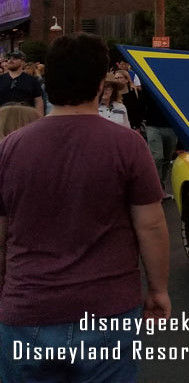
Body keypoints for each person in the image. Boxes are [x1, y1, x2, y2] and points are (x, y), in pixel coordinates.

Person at [0, 32, 170, 382]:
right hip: (107, 310)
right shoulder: (128, 146)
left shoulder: (11, 147)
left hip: (27, 308)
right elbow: (151, 226)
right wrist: (158, 289)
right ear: (98, 83)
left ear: (48, 82)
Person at [0, 50, 44, 117]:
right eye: (9, 58)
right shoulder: (1, 79)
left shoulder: (32, 80)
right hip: (3, 119)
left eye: (15, 58)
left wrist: (39, 117)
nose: (10, 60)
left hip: (25, 119)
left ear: (23, 62)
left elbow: (38, 101)